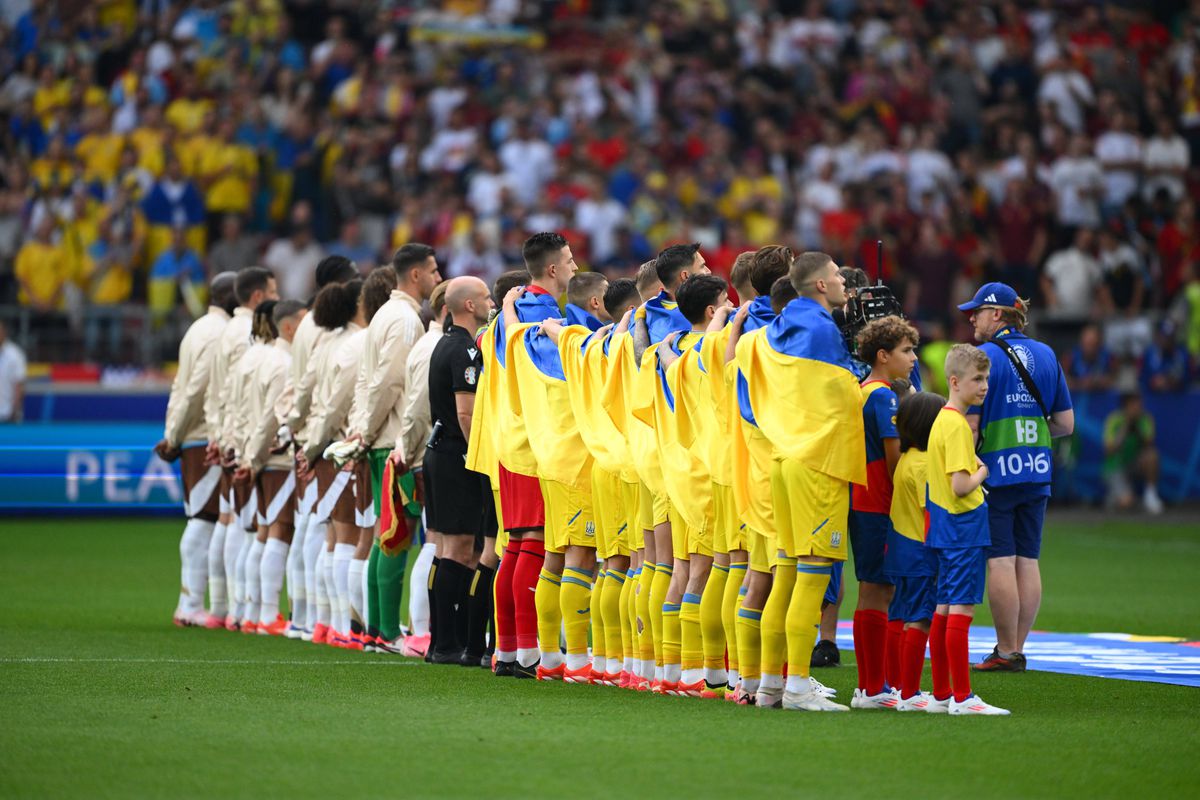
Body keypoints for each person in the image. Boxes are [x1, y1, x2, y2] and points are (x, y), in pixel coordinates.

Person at [735, 251, 861, 712]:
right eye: (836, 275)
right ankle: (798, 684)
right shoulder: (822, 330)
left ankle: (770, 685)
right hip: (817, 463)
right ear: (821, 287)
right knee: (811, 577)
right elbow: (848, 392)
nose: (844, 281)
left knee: (786, 573)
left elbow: (738, 358)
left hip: (782, 463)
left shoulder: (774, 328)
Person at [958, 282, 1074, 673]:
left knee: (1001, 562)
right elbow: (1065, 424)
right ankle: (1017, 647)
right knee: (1028, 560)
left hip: (995, 472)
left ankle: (1006, 650)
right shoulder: (1045, 353)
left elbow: (971, 426)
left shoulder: (982, 356)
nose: (971, 317)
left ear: (997, 314)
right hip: (1038, 470)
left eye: (977, 311)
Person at [480, 233, 575, 679]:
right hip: (534, 443)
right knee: (532, 544)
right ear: (552, 269)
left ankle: (508, 650)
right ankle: (529, 651)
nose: (575, 268)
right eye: (570, 261)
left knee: (516, 546)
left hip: (509, 439)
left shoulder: (511, 312)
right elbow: (552, 378)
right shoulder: (538, 309)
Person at [346, 244, 441, 652]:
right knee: (396, 537)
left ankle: (375, 627)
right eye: (434, 271)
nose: (438, 278)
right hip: (393, 440)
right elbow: (390, 383)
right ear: (416, 275)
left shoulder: (384, 313)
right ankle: (385, 631)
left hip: (379, 437)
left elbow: (371, 382)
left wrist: (362, 430)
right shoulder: (405, 321)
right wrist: (367, 432)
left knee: (384, 533)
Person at [926, 344, 1009, 715]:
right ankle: (962, 697)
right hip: (963, 528)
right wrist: (983, 472)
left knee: (943, 609)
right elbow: (961, 485)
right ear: (955, 381)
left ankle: (942, 693)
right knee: (960, 610)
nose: (985, 386)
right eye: (978, 379)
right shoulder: (957, 424)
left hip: (944, 527)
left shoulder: (942, 420)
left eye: (987, 378)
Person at [284, 255, 360, 639]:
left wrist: (296, 432)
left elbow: (302, 386)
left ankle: (313, 617)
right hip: (329, 437)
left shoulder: (309, 327)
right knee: (329, 530)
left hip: (312, 433)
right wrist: (312, 441)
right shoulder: (333, 331)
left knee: (315, 527)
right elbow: (325, 393)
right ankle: (327, 620)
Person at [156, 271, 237, 628]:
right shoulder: (219, 333)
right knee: (204, 520)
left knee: (202, 518)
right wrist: (174, 436)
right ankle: (189, 604)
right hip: (206, 436)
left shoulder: (198, 329)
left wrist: (172, 432)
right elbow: (197, 390)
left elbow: (180, 387)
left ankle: (196, 602)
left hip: (193, 434)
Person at [848, 316, 920, 710]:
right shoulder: (883, 397)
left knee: (877, 590)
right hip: (879, 502)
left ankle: (876, 685)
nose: (913, 359)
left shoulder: (864, 391)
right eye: (906, 351)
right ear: (883, 355)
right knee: (877, 590)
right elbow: (895, 461)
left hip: (864, 499)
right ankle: (872, 686)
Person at [424, 277, 495, 664]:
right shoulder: (465, 350)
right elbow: (466, 412)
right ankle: (450, 642)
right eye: (485, 297)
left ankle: (441, 640)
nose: (491, 302)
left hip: (439, 451)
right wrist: (478, 454)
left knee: (446, 548)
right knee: (460, 549)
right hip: (456, 454)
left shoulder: (442, 343)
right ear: (469, 305)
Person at [204, 266, 278, 630]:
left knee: (232, 519)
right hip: (245, 438)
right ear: (259, 296)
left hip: (232, 434)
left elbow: (223, 392)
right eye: (274, 292)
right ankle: (239, 608)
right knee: (247, 524)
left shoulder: (228, 332)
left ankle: (229, 607)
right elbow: (244, 396)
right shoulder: (247, 336)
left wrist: (222, 435)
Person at [234, 300, 307, 636]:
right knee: (279, 531)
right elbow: (271, 417)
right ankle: (266, 615)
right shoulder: (283, 362)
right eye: (304, 320)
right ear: (289, 326)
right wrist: (255, 457)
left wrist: (245, 453)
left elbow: (242, 409)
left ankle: (252, 612)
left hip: (257, 452)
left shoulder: (256, 357)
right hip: (275, 457)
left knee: (264, 532)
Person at [392, 280, 450, 658]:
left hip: (424, 452)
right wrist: (409, 453)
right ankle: (421, 632)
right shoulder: (434, 347)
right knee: (437, 541)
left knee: (435, 541)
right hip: (434, 453)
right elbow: (416, 409)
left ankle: (420, 629)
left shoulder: (426, 344)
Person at [886, 391, 945, 712]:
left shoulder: (906, 459)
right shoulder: (923, 465)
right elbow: (930, 514)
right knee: (921, 618)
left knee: (898, 615)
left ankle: (896, 685)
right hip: (921, 552)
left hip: (899, 548)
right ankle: (909, 692)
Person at [1103, 392, 1164, 514]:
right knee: (1126, 503)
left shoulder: (1145, 419)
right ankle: (1115, 497)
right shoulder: (1114, 420)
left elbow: (1149, 445)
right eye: (1135, 405)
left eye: (1139, 405)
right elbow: (1109, 451)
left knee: (1152, 455)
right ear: (1126, 406)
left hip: (1135, 463)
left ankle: (1150, 495)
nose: (1138, 408)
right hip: (1116, 465)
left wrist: (1137, 428)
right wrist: (1125, 427)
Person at [0, 321, 27, 424]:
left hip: (8, 413)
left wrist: (15, 410)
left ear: (4, 332)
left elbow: (19, 385)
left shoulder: (14, 354)